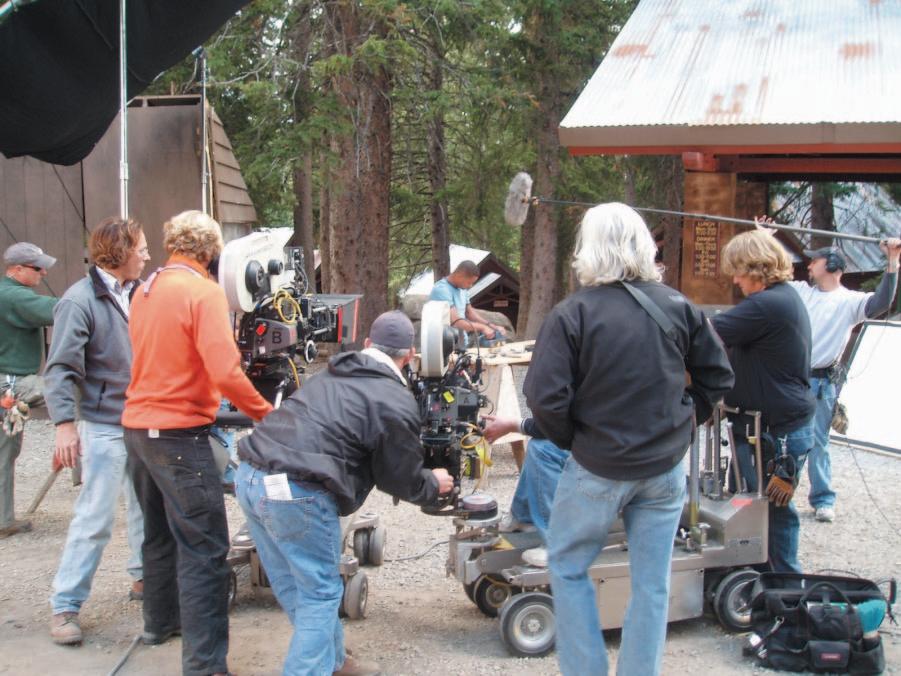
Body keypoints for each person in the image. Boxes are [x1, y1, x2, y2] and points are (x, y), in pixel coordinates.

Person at [524, 203, 734, 676]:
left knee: (568, 567)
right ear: (643, 245)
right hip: (663, 469)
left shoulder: (572, 313)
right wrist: (686, 422)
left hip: (597, 467)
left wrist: (575, 441)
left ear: (589, 248)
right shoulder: (677, 305)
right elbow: (718, 377)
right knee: (652, 584)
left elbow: (543, 397)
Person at [236, 310, 454, 676]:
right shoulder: (395, 401)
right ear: (410, 355)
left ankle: (333, 662)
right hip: (296, 491)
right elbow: (399, 478)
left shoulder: (329, 375)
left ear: (367, 344)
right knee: (321, 593)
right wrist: (434, 483)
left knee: (295, 585)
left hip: (250, 475)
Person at [123, 210, 273, 676]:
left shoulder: (146, 289)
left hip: (138, 430)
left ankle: (160, 623)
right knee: (205, 547)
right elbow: (226, 371)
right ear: (211, 252)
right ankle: (205, 665)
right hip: (178, 435)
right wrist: (266, 413)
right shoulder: (203, 292)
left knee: (158, 534)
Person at [44, 218, 150, 645]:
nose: (147, 256)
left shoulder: (140, 293)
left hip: (143, 421)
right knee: (95, 518)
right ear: (120, 252)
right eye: (141, 249)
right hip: (104, 425)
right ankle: (65, 605)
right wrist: (64, 425)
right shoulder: (78, 301)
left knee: (145, 508)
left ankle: (144, 578)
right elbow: (60, 369)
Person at [709, 229, 816, 574]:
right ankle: (755, 576)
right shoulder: (779, 299)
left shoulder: (768, 304)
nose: (735, 279)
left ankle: (785, 586)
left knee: (773, 513)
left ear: (755, 267)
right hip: (763, 426)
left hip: (774, 432)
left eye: (738, 271)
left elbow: (706, 333)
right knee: (749, 506)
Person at [785, 236, 900, 523]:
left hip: (821, 382)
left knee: (817, 441)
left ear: (832, 265)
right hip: (793, 378)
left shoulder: (850, 301)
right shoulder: (802, 292)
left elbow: (881, 302)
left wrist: (892, 261)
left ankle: (822, 499)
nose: (809, 265)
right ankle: (783, 496)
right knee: (790, 440)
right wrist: (765, 237)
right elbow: (771, 274)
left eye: (816, 260)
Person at [0, 241, 58, 538]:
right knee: (69, 392)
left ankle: (3, 518)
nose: (43, 273)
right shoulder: (14, 297)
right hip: (10, 383)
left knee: (6, 449)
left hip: (9, 383)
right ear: (17, 269)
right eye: (38, 268)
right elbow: (58, 309)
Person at [482, 414, 568, 568]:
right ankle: (523, 517)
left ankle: (557, 546)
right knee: (539, 443)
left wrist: (512, 424)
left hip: (606, 442)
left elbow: (556, 425)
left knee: (544, 449)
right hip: (599, 430)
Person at [429, 260, 506, 345]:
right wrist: (483, 328)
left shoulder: (463, 289)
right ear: (459, 275)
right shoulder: (441, 290)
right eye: (469, 282)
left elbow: (470, 313)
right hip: (444, 344)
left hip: (461, 343)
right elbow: (456, 322)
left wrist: (492, 326)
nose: (470, 286)